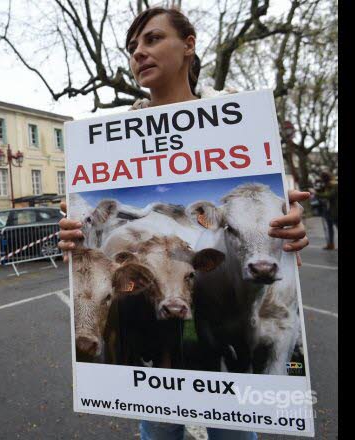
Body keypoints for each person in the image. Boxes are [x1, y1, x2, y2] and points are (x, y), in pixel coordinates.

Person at [58, 6, 310, 440]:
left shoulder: (239, 122)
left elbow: (269, 213)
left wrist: (288, 227)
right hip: (157, 346)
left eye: (153, 39)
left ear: (189, 46)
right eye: (133, 47)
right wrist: (75, 237)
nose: (139, 53)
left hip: (221, 322)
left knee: (235, 430)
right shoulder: (115, 138)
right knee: (159, 429)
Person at [312, 171, 338, 250]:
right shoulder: (326, 186)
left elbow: (329, 195)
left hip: (335, 210)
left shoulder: (335, 185)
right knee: (329, 228)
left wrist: (316, 193)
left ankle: (331, 244)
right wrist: (317, 187)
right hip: (327, 210)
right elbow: (322, 193)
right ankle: (330, 244)